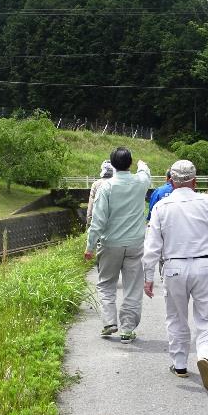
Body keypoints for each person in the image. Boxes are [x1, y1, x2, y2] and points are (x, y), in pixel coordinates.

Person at [142, 159, 208, 391]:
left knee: (176, 316)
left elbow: (152, 246)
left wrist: (148, 277)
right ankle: (207, 356)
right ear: (195, 179)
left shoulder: (161, 207)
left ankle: (180, 364)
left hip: (173, 267)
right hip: (203, 265)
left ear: (171, 181)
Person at [84, 147, 151, 342]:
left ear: (112, 165)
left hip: (110, 243)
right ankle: (127, 329)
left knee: (106, 284)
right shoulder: (140, 182)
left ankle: (109, 322)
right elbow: (145, 172)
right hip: (135, 244)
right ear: (129, 164)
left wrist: (90, 246)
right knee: (132, 287)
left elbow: (97, 221)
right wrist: (142, 164)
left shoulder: (106, 187)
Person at [86, 160, 114, 228]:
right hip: (115, 222)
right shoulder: (118, 184)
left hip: (99, 220)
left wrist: (89, 221)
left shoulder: (96, 184)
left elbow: (91, 204)